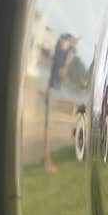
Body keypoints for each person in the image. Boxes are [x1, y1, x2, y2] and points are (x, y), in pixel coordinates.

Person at [44, 33, 76, 173]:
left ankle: (48, 159)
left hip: (52, 91)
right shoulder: (60, 55)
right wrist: (71, 54)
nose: (69, 44)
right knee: (48, 128)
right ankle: (47, 162)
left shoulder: (59, 52)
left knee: (50, 127)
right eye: (68, 41)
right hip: (52, 91)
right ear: (64, 41)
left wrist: (70, 52)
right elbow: (62, 72)